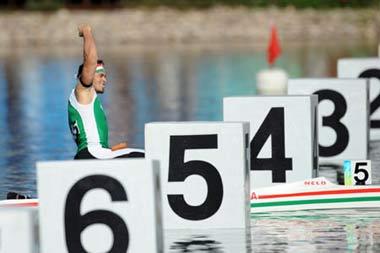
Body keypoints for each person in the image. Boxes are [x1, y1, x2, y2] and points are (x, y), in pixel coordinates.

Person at [68, 25, 144, 159]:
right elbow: (90, 61)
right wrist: (86, 32)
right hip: (92, 153)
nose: (105, 80)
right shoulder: (83, 90)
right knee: (150, 157)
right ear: (87, 75)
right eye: (101, 75)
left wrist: (110, 150)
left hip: (93, 154)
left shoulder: (87, 99)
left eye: (106, 76)